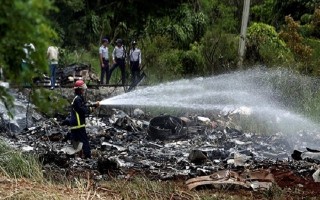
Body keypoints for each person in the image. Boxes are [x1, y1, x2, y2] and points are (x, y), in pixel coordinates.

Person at [69, 80, 99, 159]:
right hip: (78, 125)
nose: (83, 91)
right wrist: (94, 108)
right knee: (84, 141)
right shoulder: (78, 99)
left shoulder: (78, 98)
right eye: (82, 89)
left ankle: (77, 155)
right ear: (79, 90)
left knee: (76, 141)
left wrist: (93, 105)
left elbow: (85, 106)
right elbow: (84, 111)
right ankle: (88, 157)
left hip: (75, 125)